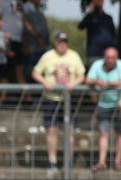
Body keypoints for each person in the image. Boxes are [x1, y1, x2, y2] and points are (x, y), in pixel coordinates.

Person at [31, 32, 86, 172]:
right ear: (55, 43)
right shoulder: (48, 56)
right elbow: (35, 72)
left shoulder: (74, 56)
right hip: (51, 99)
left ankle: (69, 162)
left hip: (68, 100)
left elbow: (81, 74)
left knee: (69, 131)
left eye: (65, 41)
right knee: (52, 130)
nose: (62, 44)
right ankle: (52, 162)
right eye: (60, 41)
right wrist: (44, 82)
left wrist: (74, 83)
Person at [87, 46, 121, 171]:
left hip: (119, 103)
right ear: (104, 57)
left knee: (120, 134)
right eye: (108, 57)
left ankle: (118, 162)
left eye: (113, 58)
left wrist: (106, 84)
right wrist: (98, 82)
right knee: (103, 133)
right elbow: (88, 80)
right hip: (103, 104)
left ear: (117, 58)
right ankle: (101, 162)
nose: (110, 60)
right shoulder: (97, 64)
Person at [79, 0, 117, 69]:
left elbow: (113, 36)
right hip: (93, 54)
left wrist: (113, 50)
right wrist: (89, 11)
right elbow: (81, 26)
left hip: (108, 54)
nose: (98, 2)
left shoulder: (108, 18)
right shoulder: (90, 17)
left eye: (99, 0)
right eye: (95, 0)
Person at [22, 0, 50, 76]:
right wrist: (37, 38)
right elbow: (25, 25)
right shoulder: (26, 7)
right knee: (31, 73)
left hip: (41, 47)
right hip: (32, 47)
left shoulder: (38, 9)